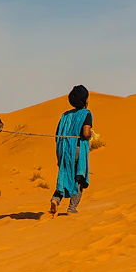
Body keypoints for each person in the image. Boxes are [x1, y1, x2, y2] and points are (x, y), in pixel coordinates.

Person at [49, 84, 92, 217]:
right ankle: (72, 208)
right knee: (79, 178)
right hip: (77, 150)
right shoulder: (86, 114)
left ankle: (55, 199)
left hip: (63, 150)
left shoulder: (65, 115)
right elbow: (86, 133)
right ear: (85, 100)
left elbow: (58, 133)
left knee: (64, 175)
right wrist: (91, 135)